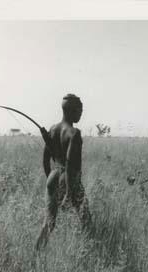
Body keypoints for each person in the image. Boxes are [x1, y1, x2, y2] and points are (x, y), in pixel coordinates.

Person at [35, 93, 92, 250]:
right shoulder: (74, 133)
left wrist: (51, 178)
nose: (81, 113)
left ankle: (37, 253)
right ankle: (89, 255)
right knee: (86, 220)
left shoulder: (53, 129)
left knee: (49, 223)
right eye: (79, 110)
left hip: (53, 176)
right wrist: (68, 191)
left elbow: (46, 160)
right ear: (72, 111)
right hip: (68, 180)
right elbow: (70, 164)